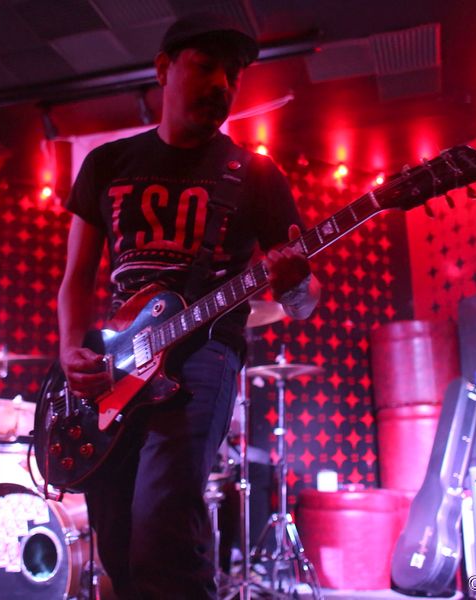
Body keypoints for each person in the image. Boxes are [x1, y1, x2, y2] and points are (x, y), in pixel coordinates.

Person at [57, 12, 321, 599]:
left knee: (163, 517)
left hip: (206, 353)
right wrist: (71, 350)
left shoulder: (254, 174)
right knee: (116, 536)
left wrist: (296, 281)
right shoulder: (106, 164)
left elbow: (303, 303)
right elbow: (75, 278)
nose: (221, 84)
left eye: (233, 75)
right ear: (163, 69)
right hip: (118, 364)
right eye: (205, 67)